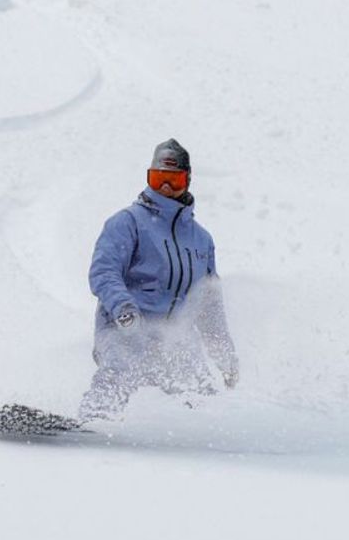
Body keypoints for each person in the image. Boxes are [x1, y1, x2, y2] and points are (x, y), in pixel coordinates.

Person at [78, 139, 238, 420]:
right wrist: (123, 308)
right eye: (158, 178)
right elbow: (104, 271)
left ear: (187, 181)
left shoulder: (201, 239)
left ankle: (208, 435)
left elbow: (209, 304)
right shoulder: (127, 222)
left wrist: (225, 357)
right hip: (126, 329)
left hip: (173, 340)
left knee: (201, 390)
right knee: (121, 367)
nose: (164, 188)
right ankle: (95, 420)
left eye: (173, 180)